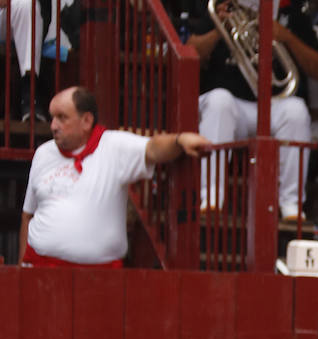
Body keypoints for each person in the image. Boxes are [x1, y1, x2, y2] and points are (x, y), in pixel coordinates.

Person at [19, 86, 211, 266]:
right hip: (38, 267)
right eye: (52, 118)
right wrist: (21, 269)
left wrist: (179, 140)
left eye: (62, 118)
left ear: (86, 120)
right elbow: (28, 215)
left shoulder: (113, 146)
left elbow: (152, 149)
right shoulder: (43, 153)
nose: (53, 126)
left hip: (98, 278)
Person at [190, 0, 314, 220]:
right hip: (230, 106)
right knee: (220, 101)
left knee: (297, 110)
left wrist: (287, 37)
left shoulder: (292, 16)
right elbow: (191, 54)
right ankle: (210, 198)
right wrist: (218, 29)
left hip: (272, 105)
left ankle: (291, 205)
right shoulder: (223, 6)